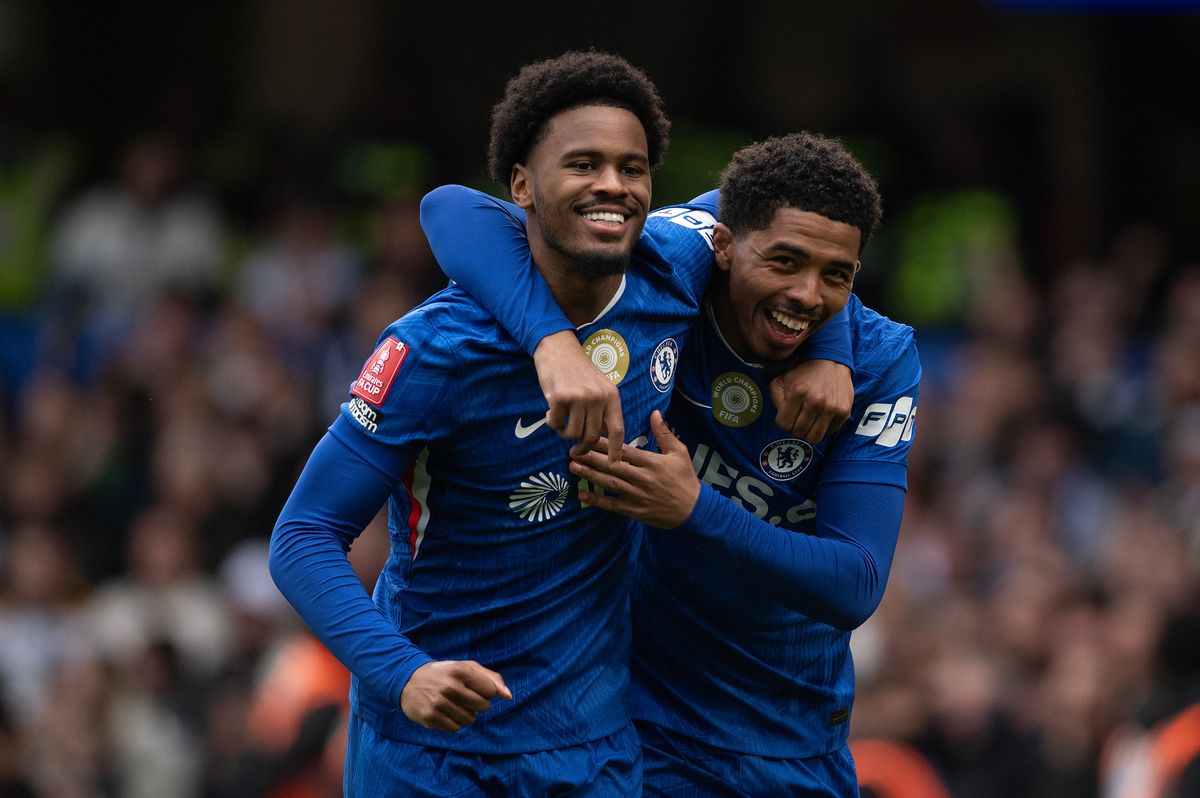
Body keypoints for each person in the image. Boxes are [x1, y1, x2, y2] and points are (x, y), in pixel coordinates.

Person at [269, 51, 850, 796]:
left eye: (632, 169)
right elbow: (302, 537)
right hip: (435, 750)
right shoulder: (434, 350)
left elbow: (802, 234)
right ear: (521, 186)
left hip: (593, 750)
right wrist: (399, 672)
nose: (612, 184)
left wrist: (831, 348)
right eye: (583, 164)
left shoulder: (671, 265)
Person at [422, 132, 919, 795]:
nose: (806, 293)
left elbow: (854, 584)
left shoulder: (880, 361)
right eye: (784, 262)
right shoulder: (668, 264)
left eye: (836, 276)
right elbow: (452, 211)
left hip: (794, 733)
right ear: (722, 248)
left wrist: (693, 508)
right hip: (641, 721)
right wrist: (552, 345)